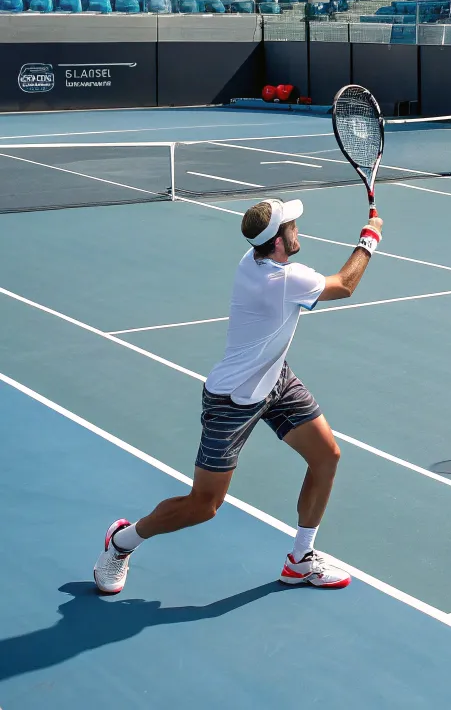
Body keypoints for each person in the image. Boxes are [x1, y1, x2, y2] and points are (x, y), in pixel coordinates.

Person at [93, 198, 384, 594]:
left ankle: (300, 560)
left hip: (275, 380)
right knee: (204, 505)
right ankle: (122, 542)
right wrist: (369, 239)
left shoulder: (253, 260)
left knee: (326, 456)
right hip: (233, 400)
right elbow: (345, 285)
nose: (298, 229)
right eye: (292, 226)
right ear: (278, 242)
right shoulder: (284, 281)